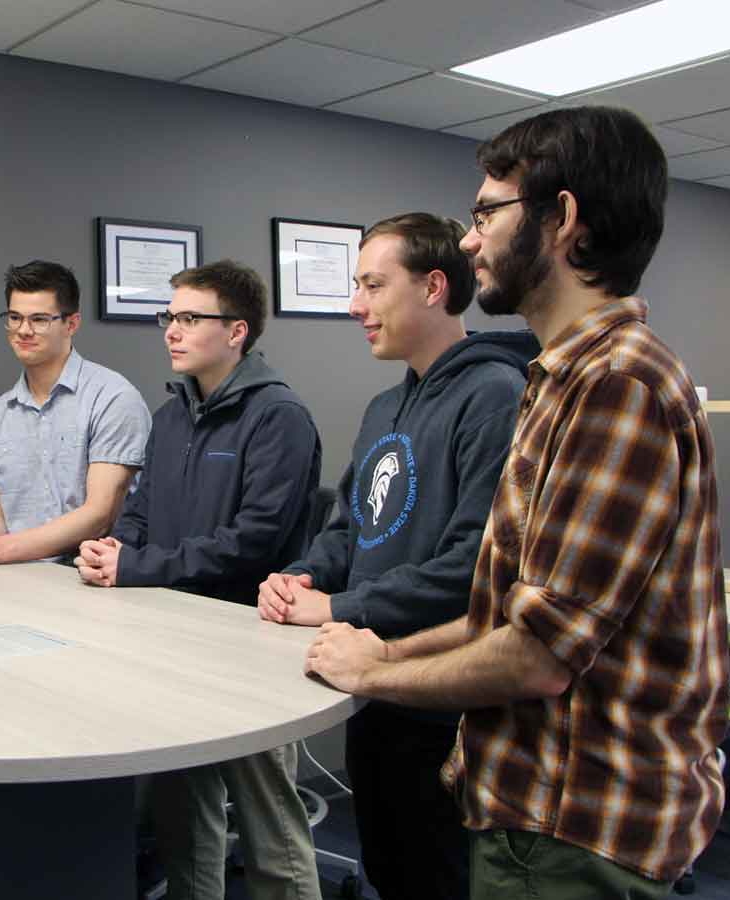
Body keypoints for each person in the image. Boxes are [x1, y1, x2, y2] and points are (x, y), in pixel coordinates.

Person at [304, 106, 728, 899]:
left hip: (573, 824)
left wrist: (376, 675)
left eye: (487, 213)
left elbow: (537, 655)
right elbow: (505, 609)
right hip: (531, 807)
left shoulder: (615, 386)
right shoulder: (561, 380)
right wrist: (384, 654)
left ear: (561, 220)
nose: (470, 240)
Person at [257, 213, 536, 899]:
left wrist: (340, 605)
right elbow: (350, 529)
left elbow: (475, 562)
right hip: (367, 683)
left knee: (436, 878)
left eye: (373, 285)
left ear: (434, 286)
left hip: (441, 697)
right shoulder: (387, 406)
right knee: (387, 865)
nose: (356, 306)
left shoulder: (496, 395)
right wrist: (302, 578)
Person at [78, 259, 322, 900]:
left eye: (190, 318)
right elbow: (139, 511)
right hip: (171, 643)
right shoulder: (171, 414)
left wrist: (135, 567)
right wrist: (113, 549)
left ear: (237, 331)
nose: (172, 330)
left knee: (270, 832)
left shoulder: (279, 418)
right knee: (185, 823)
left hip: (246, 648)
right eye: (170, 317)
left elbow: (252, 543)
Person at [0, 259, 151, 565]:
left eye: (39, 319)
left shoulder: (113, 398)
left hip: (88, 577)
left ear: (71, 324)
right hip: (14, 572)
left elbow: (99, 516)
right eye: (14, 317)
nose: (23, 330)